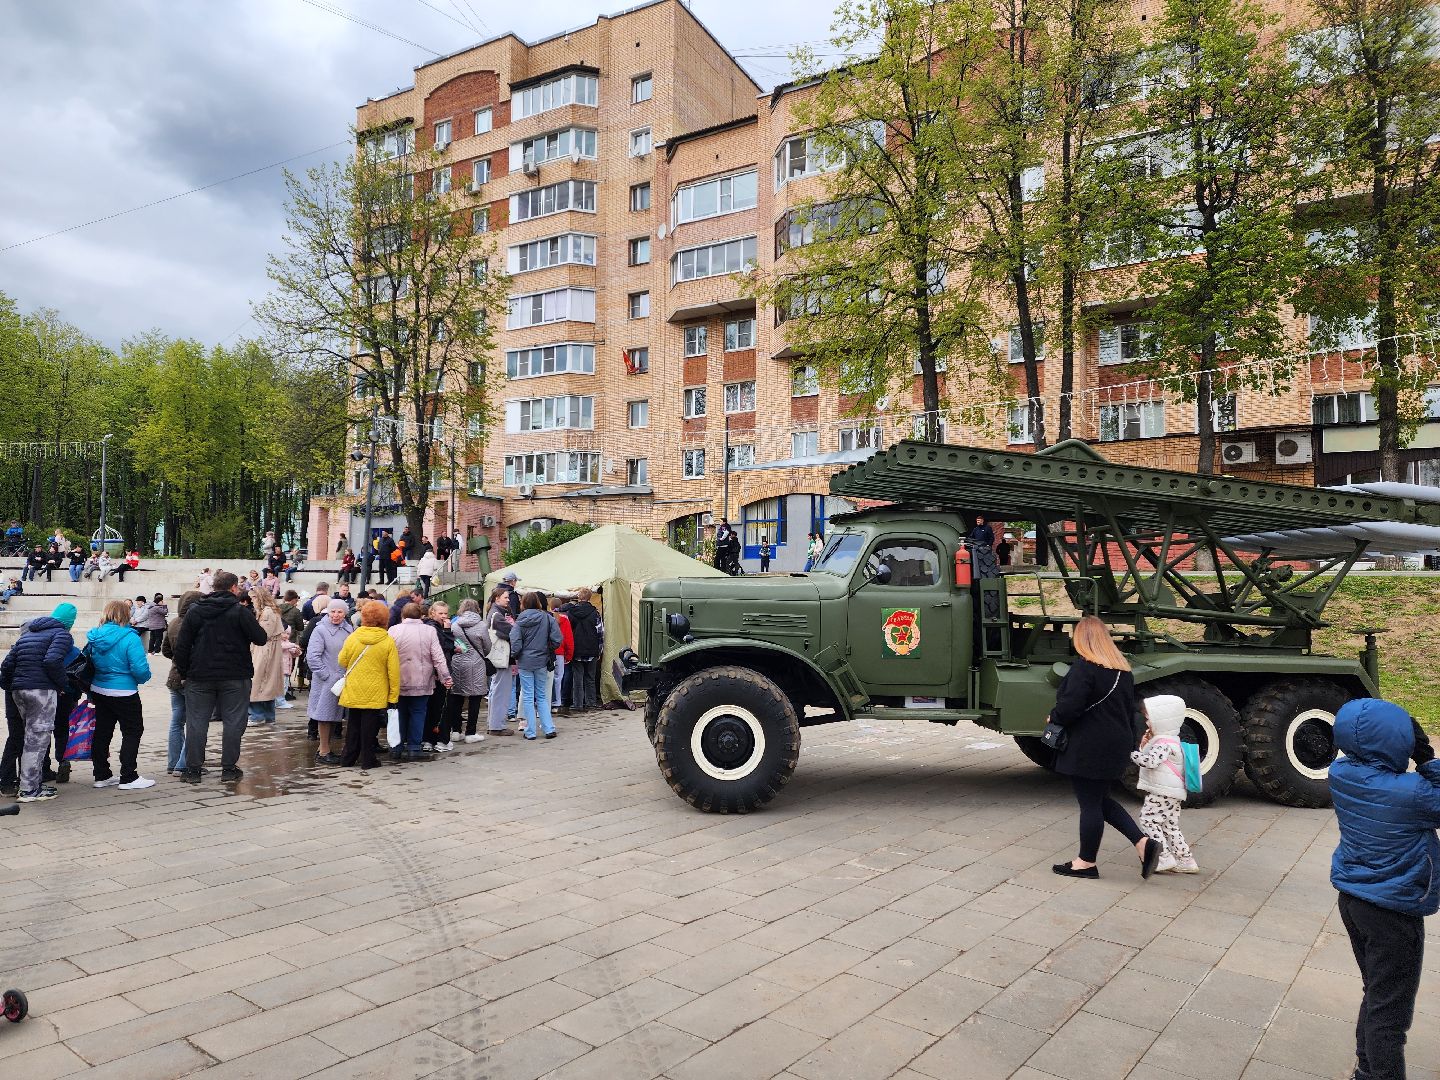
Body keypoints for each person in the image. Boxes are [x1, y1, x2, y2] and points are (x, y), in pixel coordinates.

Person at [1329, 698, 1440, 1080]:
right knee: (1391, 1014)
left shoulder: (1340, 773)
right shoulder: (1413, 793)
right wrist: (1427, 758)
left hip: (1354, 901)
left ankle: (1366, 1070)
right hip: (1394, 910)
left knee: (1377, 993)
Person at [1050, 616, 1161, 880]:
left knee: (1090, 803)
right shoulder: (1123, 671)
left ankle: (1086, 862)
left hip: (1089, 744)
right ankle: (1143, 844)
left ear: (1082, 639)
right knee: (1101, 800)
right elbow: (1127, 710)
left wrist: (1054, 717)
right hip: (1116, 743)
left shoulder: (1085, 668)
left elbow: (1071, 706)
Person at [174, 570, 269, 784]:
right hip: (235, 675)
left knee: (196, 722)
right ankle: (228, 768)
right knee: (234, 722)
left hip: (199, 675)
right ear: (234, 588)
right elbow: (261, 638)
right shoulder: (239, 611)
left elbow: (182, 645)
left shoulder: (196, 610)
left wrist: (185, 672)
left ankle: (193, 770)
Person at [0, 602, 76, 802]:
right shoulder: (62, 634)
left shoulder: (29, 634)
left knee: (27, 739)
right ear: (69, 623)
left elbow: (6, 664)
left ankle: (29, 784)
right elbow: (52, 660)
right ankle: (29, 790)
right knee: (38, 741)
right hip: (40, 691)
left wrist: (9, 686)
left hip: (19, 690)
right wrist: (62, 684)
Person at [86, 600, 154, 791]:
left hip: (99, 689)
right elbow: (140, 669)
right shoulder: (130, 637)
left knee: (102, 731)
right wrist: (142, 678)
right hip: (124, 691)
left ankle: (101, 774)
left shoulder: (95, 635)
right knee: (132, 731)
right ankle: (128, 776)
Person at [1128, 695, 1198, 874]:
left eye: (1149, 718)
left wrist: (1132, 754)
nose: (1146, 722)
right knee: (1169, 826)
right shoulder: (1170, 739)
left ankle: (1163, 857)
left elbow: (1150, 762)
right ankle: (1186, 860)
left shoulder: (1163, 744)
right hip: (1172, 792)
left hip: (1162, 791)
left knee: (1148, 820)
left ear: (1162, 720)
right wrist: (1144, 745)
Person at [337, 600, 400, 770]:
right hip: (376, 690)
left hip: (354, 687)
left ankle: (348, 758)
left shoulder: (353, 637)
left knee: (353, 725)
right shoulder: (387, 641)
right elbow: (393, 671)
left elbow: (342, 660)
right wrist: (393, 696)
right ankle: (368, 759)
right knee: (370, 727)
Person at [389, 602, 451, 760]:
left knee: (399, 713)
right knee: (418, 712)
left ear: (403, 615)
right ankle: (414, 747)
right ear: (421, 615)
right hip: (422, 680)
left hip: (398, 680)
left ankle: (397, 746)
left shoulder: (393, 630)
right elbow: (438, 657)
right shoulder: (429, 631)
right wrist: (445, 677)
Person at [306, 599, 352, 764]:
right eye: (333, 611)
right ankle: (324, 751)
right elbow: (313, 656)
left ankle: (324, 749)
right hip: (326, 681)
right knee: (324, 715)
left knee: (334, 716)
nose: (336, 615)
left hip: (342, 679)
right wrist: (326, 675)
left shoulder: (349, 629)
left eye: (340, 612)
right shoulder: (320, 630)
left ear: (345, 613)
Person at [161, 590, 201, 774]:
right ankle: (183, 764)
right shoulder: (197, 624)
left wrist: (177, 659)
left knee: (176, 722)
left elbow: (165, 650)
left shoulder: (174, 622)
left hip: (174, 677)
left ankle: (173, 762)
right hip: (192, 678)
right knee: (195, 722)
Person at [513, 591, 561, 740]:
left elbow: (515, 643)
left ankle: (530, 732)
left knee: (528, 696)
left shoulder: (519, 620)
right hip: (542, 661)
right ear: (539, 603)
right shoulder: (548, 618)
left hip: (525, 662)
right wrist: (547, 649)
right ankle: (549, 728)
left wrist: (517, 655)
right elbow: (557, 639)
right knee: (541, 696)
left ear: (523, 604)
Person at [447, 598, 490, 744]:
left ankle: (456, 731)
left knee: (456, 696)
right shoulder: (482, 625)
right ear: (477, 609)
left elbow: (451, 643)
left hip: (457, 663)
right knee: (475, 697)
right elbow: (488, 646)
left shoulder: (455, 625)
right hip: (476, 663)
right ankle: (470, 732)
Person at [247, 587, 286, 726]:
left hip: (265, 649)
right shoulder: (268, 611)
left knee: (258, 681)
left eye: (254, 597)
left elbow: (264, 634)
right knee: (267, 683)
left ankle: (257, 715)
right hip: (267, 648)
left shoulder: (267, 612)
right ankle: (269, 716)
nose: (252, 600)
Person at [422, 600, 456, 752]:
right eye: (440, 613)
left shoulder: (429, 627)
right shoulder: (435, 629)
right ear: (432, 613)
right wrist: (448, 631)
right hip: (438, 673)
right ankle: (440, 739)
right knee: (441, 707)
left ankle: (428, 739)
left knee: (431, 707)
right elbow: (443, 649)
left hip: (430, 673)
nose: (444, 616)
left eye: (445, 613)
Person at [560, 588, 601, 712]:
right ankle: (591, 703)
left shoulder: (571, 613)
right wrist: (599, 650)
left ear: (579, 597)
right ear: (590, 598)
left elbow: (568, 632)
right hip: (592, 649)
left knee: (577, 678)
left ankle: (577, 704)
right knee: (590, 678)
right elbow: (600, 632)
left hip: (577, 649)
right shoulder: (595, 613)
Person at [484, 585, 516, 737]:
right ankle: (497, 725)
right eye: (506, 597)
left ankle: (494, 724)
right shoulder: (497, 615)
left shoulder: (494, 613)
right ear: (497, 599)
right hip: (502, 658)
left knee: (496, 690)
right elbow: (512, 632)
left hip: (498, 658)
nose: (508, 600)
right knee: (501, 691)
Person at [552, 600, 573, 715]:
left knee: (547, 679)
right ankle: (556, 703)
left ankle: (548, 701)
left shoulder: (547, 618)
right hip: (560, 653)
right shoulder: (565, 620)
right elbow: (568, 639)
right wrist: (569, 655)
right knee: (558, 678)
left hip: (548, 652)